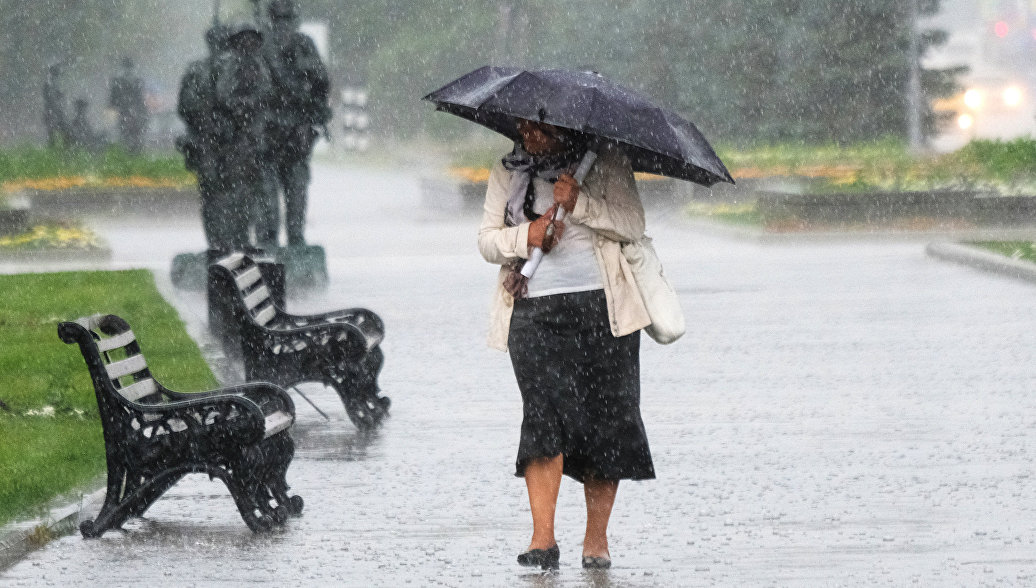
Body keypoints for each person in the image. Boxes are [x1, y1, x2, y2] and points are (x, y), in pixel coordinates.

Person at [477, 119, 655, 570]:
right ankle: (543, 540)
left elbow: (632, 224)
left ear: (565, 127)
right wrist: (528, 235)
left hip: (605, 311)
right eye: (523, 126)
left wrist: (581, 203)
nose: (529, 135)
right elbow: (486, 241)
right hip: (534, 312)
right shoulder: (508, 168)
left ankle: (596, 542)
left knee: (607, 420)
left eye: (540, 128)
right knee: (542, 417)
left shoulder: (606, 161)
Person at [261, 0, 331, 246]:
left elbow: (322, 82)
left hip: (296, 131)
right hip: (268, 133)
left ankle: (292, 243)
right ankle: (271, 245)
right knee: (269, 199)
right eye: (280, 20)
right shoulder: (261, 45)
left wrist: (306, 69)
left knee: (295, 194)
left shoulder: (303, 45)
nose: (283, 26)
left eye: (286, 20)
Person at [212, 22, 274, 249]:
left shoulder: (261, 65)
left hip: (257, 138)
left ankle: (261, 239)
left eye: (252, 39)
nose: (248, 44)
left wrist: (255, 104)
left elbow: (267, 92)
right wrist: (240, 106)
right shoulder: (230, 64)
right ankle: (237, 239)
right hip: (235, 137)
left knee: (261, 194)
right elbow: (223, 94)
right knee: (237, 193)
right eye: (243, 39)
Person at [177, 24, 233, 249]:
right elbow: (184, 106)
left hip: (233, 142)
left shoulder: (237, 68)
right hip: (206, 141)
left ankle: (233, 242)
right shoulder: (197, 70)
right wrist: (204, 106)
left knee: (236, 196)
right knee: (210, 195)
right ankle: (215, 244)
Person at [108, 57, 149, 153]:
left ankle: (130, 146)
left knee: (127, 130)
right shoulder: (136, 80)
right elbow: (139, 97)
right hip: (131, 109)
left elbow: (113, 98)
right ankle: (133, 146)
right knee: (134, 129)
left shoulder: (118, 81)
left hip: (126, 109)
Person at [42, 63, 68, 148]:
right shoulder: (49, 83)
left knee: (58, 131)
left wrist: (60, 95)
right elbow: (49, 97)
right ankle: (54, 148)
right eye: (57, 73)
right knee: (53, 131)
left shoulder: (52, 83)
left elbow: (52, 96)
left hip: (54, 111)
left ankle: (58, 147)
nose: (58, 76)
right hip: (52, 111)